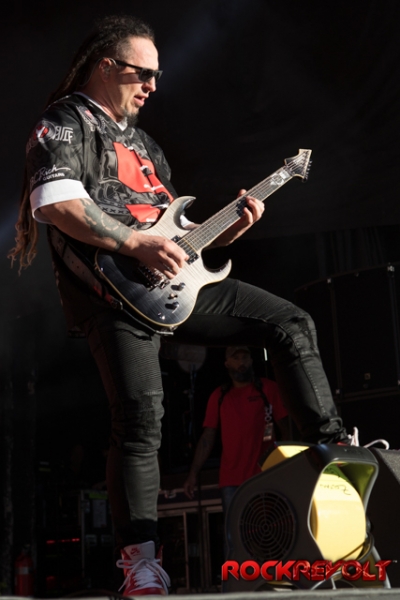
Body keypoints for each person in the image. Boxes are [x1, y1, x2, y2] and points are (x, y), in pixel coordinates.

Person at [9, 14, 349, 596]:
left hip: (175, 283)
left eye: (157, 76)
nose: (152, 86)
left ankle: (336, 455)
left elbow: (176, 236)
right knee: (140, 419)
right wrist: (133, 243)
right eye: (142, 73)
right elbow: (56, 203)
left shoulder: (145, 146)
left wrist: (227, 231)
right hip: (111, 290)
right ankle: (140, 564)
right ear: (105, 66)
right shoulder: (65, 122)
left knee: (291, 323)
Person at [183, 346, 289, 556]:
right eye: (236, 358)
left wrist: (289, 466)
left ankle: (270, 575)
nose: (241, 362)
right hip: (232, 480)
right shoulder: (219, 396)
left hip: (265, 476)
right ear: (227, 364)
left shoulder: (268, 389)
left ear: (252, 360)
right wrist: (193, 473)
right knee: (234, 538)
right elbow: (208, 437)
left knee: (270, 534)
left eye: (245, 357)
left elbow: (287, 429)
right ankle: (235, 577)